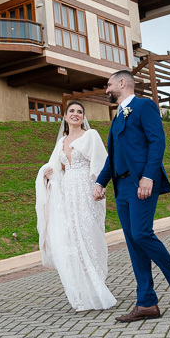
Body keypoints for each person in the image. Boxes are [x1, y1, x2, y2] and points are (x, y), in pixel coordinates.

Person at [93, 70, 170, 322]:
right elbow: (113, 156)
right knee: (133, 242)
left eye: (109, 85)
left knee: (141, 234)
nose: (106, 90)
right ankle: (147, 303)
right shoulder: (117, 117)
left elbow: (157, 141)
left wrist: (148, 176)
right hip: (122, 187)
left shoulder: (144, 106)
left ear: (122, 83)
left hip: (141, 183)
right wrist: (100, 182)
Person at [35, 101, 117, 312]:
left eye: (80, 112)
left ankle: (97, 285)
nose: (76, 114)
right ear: (65, 116)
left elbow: (101, 162)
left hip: (87, 192)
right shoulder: (62, 141)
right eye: (72, 111)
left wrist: (100, 187)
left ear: (83, 117)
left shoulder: (91, 136)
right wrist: (47, 174)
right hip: (68, 194)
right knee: (73, 239)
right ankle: (83, 290)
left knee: (90, 236)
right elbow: (56, 168)